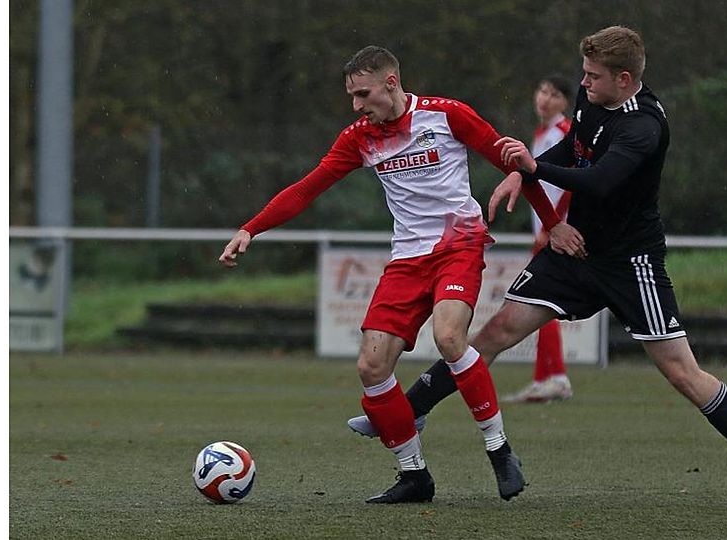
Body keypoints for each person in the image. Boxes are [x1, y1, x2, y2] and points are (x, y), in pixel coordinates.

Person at [348, 27, 727, 509]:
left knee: (683, 373)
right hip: (574, 253)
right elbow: (573, 151)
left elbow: (600, 181)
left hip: (631, 264)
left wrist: (531, 170)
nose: (581, 84)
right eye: (583, 74)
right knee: (494, 333)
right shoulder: (592, 103)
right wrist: (524, 171)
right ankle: (411, 410)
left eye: (592, 76)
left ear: (624, 79)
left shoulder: (644, 125)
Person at [219, 45, 578, 504]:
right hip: (407, 260)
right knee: (371, 366)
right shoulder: (359, 138)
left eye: (362, 93)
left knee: (450, 338)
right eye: (351, 96)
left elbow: (518, 165)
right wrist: (252, 229)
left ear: (391, 83)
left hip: (458, 247)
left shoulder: (448, 115)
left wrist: (553, 224)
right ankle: (414, 476)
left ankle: (499, 451)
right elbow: (307, 188)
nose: (356, 105)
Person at [502, 75, 575, 403]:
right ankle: (547, 377)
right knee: (540, 302)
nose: (545, 98)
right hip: (546, 231)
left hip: (556, 232)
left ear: (564, 103)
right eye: (542, 90)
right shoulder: (541, 134)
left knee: (539, 302)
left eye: (554, 94)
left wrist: (553, 223)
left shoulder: (563, 133)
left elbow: (573, 183)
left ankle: (554, 377)